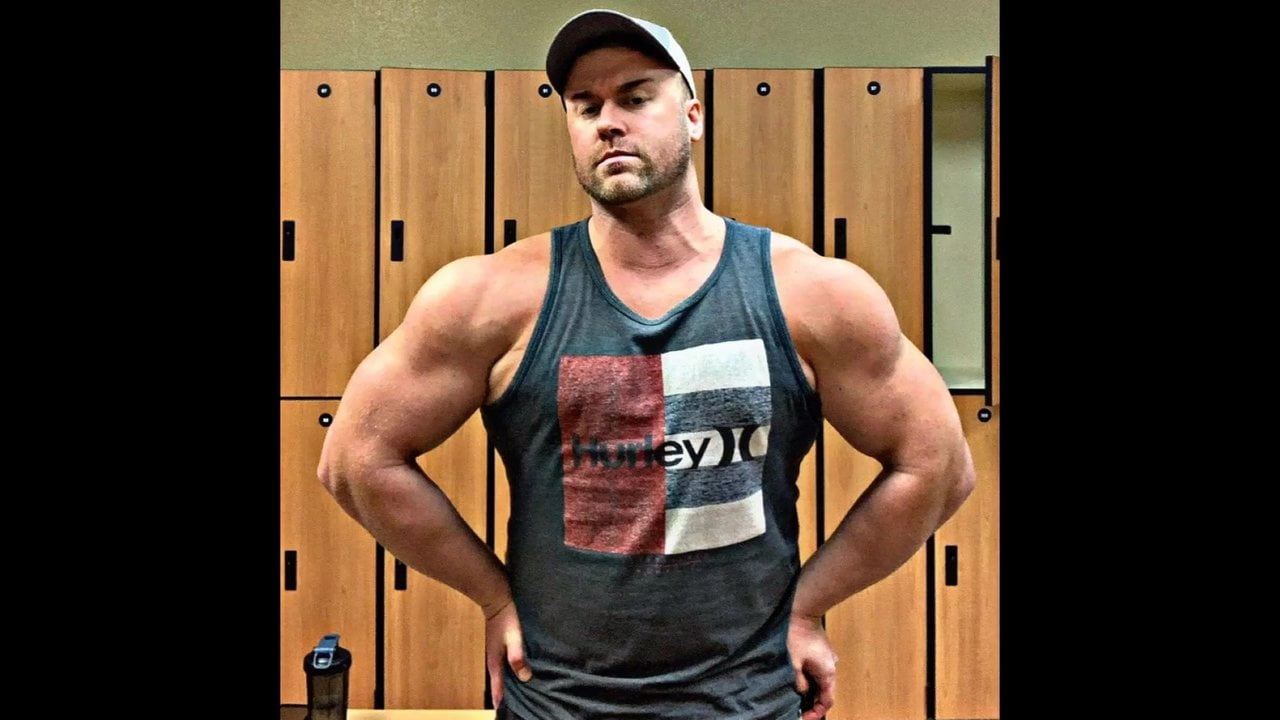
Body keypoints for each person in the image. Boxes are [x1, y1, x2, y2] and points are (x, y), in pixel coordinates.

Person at [318, 8, 976, 720]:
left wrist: (810, 605)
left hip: (749, 701)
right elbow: (355, 461)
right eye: (586, 106)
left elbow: (937, 466)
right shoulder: (488, 298)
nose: (608, 122)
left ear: (693, 117)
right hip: (556, 700)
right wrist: (492, 597)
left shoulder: (814, 294)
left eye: (635, 98)